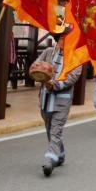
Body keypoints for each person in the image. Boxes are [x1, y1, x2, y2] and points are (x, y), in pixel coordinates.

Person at [36, 26, 83, 177]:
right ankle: (60, 153)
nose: (65, 41)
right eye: (63, 38)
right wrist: (40, 74)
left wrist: (54, 84)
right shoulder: (48, 52)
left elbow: (72, 78)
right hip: (45, 99)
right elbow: (35, 66)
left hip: (61, 102)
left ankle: (50, 160)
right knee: (50, 130)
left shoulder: (76, 58)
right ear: (58, 39)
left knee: (56, 130)